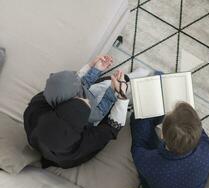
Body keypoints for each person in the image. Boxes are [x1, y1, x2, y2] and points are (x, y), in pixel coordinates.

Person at [23, 55, 151, 168]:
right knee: (107, 90)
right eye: (85, 101)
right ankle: (128, 85)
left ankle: (129, 78)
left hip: (48, 137)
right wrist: (122, 96)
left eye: (80, 98)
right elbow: (111, 129)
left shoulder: (38, 107)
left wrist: (91, 67)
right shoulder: (83, 144)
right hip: (76, 150)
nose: (88, 100)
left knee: (97, 87)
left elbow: (70, 87)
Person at [130, 102, 209, 188]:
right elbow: (199, 130)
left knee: (138, 120)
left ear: (162, 135)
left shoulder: (148, 163)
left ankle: (156, 110)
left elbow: (137, 150)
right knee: (184, 121)